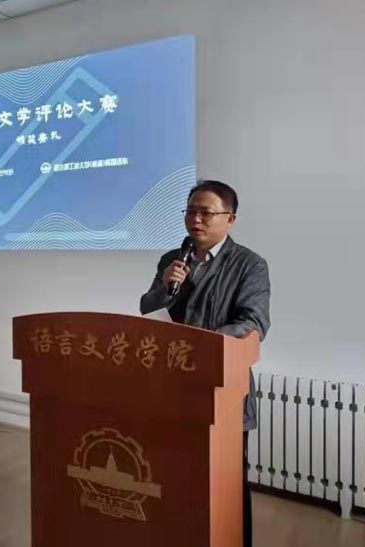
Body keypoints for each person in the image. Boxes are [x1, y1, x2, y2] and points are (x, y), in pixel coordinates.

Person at [140, 179, 270, 547]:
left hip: (221, 387)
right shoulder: (172, 259)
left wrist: (201, 345)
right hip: (173, 388)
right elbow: (147, 308)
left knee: (226, 485)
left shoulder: (249, 264)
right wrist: (164, 288)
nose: (195, 219)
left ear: (229, 219)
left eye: (205, 212)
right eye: (191, 211)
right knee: (175, 475)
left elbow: (254, 322)